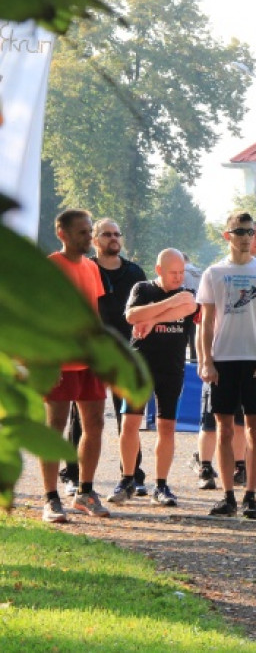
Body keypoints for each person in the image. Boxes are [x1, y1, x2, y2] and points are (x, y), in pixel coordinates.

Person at [196, 211, 256, 519]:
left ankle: (251, 495)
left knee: (255, 429)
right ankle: (227, 496)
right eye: (240, 231)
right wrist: (206, 360)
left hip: (255, 360)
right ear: (228, 236)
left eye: (250, 232)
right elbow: (206, 322)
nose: (246, 237)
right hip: (223, 359)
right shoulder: (214, 272)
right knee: (223, 429)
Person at [109, 249, 198, 508]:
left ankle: (161, 484)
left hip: (171, 368)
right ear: (159, 270)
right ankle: (127, 478)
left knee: (166, 426)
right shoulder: (142, 288)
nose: (179, 278)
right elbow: (131, 316)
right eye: (173, 273)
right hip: (139, 366)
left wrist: (151, 319)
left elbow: (190, 307)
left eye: (182, 273)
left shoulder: (188, 294)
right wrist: (169, 303)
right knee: (130, 424)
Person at [41, 209, 109, 522]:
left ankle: (85, 492)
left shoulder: (92, 268)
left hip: (89, 362)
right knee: (56, 427)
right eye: (82, 232)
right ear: (63, 234)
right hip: (59, 361)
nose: (88, 237)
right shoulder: (51, 267)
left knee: (94, 423)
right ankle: (50, 498)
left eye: (89, 230)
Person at [85, 219, 148, 494]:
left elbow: (147, 308)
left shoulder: (135, 272)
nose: (113, 238)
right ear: (94, 240)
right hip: (94, 353)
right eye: (107, 234)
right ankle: (74, 476)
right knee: (86, 419)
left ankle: (133, 475)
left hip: (128, 352)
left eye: (116, 234)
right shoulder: (85, 268)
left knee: (130, 417)